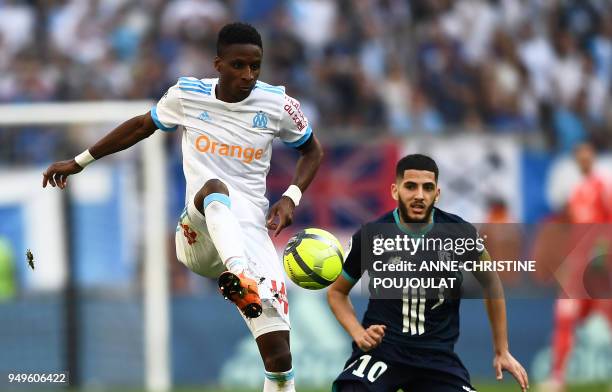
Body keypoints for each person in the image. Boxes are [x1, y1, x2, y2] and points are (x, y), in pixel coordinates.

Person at [42, 22, 323, 392]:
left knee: (279, 357)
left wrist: (291, 197)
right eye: (238, 65)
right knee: (214, 189)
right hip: (199, 234)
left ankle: (245, 282)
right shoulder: (187, 95)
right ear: (218, 64)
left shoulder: (278, 104)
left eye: (256, 66)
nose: (248, 75)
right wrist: (78, 162)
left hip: (251, 231)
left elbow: (312, 150)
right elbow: (142, 126)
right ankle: (241, 277)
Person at [327, 154, 529, 392]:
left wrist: (501, 350)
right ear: (395, 190)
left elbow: (492, 282)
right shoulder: (372, 235)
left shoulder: (460, 234)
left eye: (427, 188)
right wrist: (358, 333)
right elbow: (337, 293)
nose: (419, 196)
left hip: (437, 358)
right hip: (383, 351)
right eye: (411, 186)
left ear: (437, 193)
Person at [543, 142, 612, 392]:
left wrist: (603, 256)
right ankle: (558, 378)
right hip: (578, 268)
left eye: (587, 156)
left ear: (592, 158)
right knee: (564, 315)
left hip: (599, 267)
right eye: (579, 157)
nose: (584, 161)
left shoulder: (602, 187)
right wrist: (568, 262)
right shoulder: (575, 192)